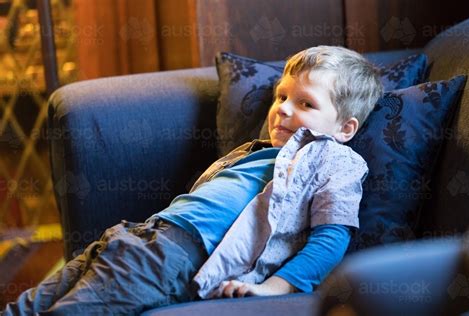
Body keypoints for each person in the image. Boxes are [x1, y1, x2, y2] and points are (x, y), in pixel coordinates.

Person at [2, 46, 383, 315]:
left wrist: (276, 286)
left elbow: (333, 236)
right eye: (281, 96)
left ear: (346, 127)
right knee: (23, 308)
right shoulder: (254, 150)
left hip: (177, 256)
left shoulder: (335, 159)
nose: (282, 108)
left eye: (305, 103)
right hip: (134, 237)